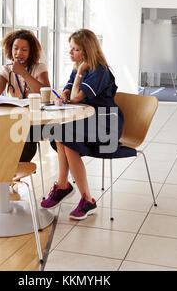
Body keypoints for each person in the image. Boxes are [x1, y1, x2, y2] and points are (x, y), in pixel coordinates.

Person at [40, 29, 136, 220]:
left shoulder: (99, 71)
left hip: (106, 125)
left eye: (75, 49)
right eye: (71, 48)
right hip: (88, 121)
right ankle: (63, 186)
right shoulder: (78, 68)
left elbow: (76, 98)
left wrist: (77, 80)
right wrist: (64, 94)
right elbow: (69, 91)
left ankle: (86, 199)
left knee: (64, 135)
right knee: (60, 133)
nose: (70, 53)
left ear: (87, 51)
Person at [0, 29, 51, 162]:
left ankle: (11, 174)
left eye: (24, 49)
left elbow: (45, 92)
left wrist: (23, 73)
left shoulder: (39, 67)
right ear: (10, 49)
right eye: (15, 48)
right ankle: (3, 174)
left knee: (24, 140)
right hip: (15, 119)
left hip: (36, 121)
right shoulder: (6, 69)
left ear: (31, 52)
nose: (19, 53)